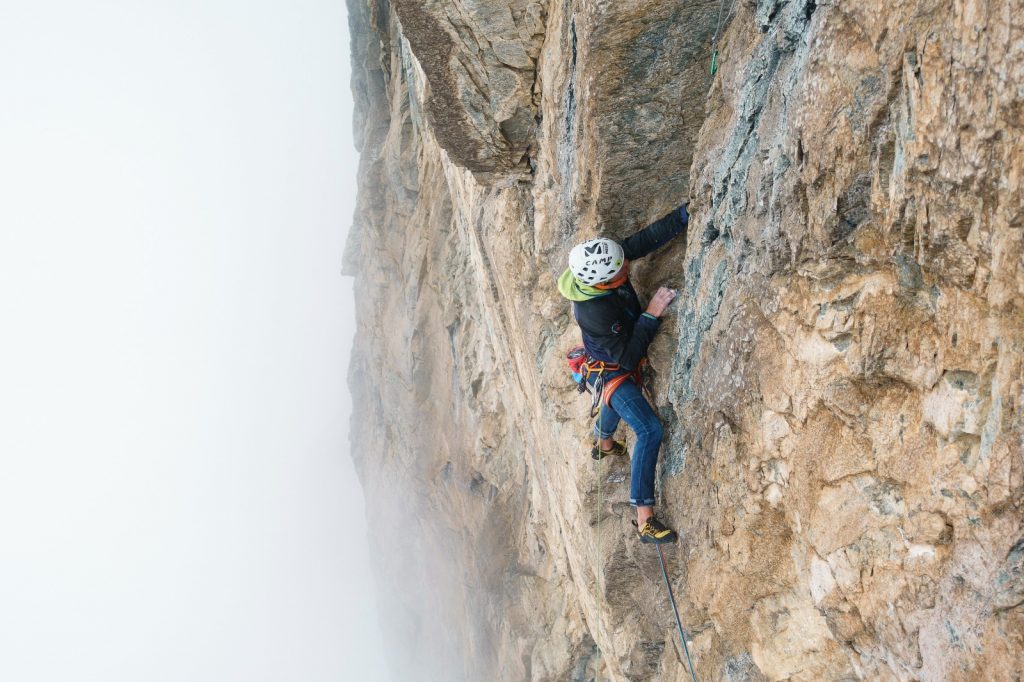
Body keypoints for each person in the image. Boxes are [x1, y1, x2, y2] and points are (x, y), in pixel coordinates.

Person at [557, 204, 688, 544]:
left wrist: (684, 215)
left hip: (606, 363)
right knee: (649, 429)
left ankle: (603, 443)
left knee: (617, 396)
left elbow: (643, 241)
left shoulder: (601, 264)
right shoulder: (596, 311)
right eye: (620, 272)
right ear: (602, 284)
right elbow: (628, 359)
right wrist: (651, 315)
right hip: (614, 367)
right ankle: (645, 520)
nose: (627, 267)